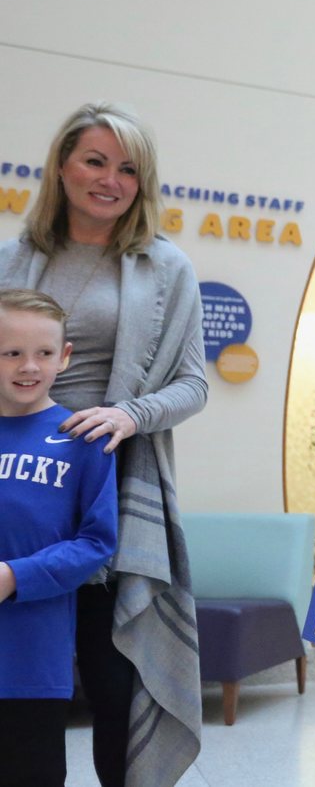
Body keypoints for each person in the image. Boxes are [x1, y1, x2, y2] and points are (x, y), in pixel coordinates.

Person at [0, 102, 208, 787]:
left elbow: (193, 384)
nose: (110, 180)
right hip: (16, 490)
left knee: (114, 680)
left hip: (110, 482)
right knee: (17, 693)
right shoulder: (11, 260)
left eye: (128, 169)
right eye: (95, 161)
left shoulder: (166, 267)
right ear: (62, 166)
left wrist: (129, 415)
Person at [0, 289, 117, 787]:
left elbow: (96, 543)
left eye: (44, 352)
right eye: (11, 352)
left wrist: (14, 576)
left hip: (31, 664)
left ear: (64, 356)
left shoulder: (83, 439)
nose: (29, 366)